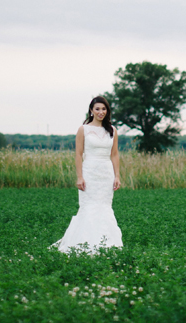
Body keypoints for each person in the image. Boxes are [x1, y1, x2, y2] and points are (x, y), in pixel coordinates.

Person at [54, 96, 123, 253]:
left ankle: (106, 244)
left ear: (107, 111)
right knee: (89, 207)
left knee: (105, 207)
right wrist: (80, 176)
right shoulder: (83, 129)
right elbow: (78, 154)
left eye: (104, 109)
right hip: (89, 171)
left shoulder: (112, 130)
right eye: (97, 109)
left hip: (106, 174)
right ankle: (83, 244)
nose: (101, 112)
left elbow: (115, 154)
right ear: (91, 110)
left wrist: (117, 175)